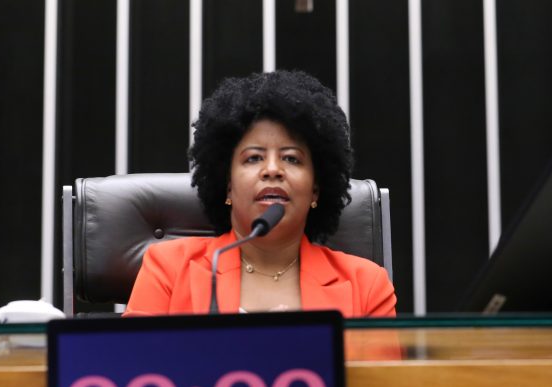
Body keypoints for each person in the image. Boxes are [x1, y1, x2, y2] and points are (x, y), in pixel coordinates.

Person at [123, 70, 396, 317]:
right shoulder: (168, 268)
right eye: (253, 158)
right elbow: (132, 368)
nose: (272, 169)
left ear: (315, 189)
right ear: (227, 184)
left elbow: (380, 375)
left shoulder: (367, 286)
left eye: (291, 159)